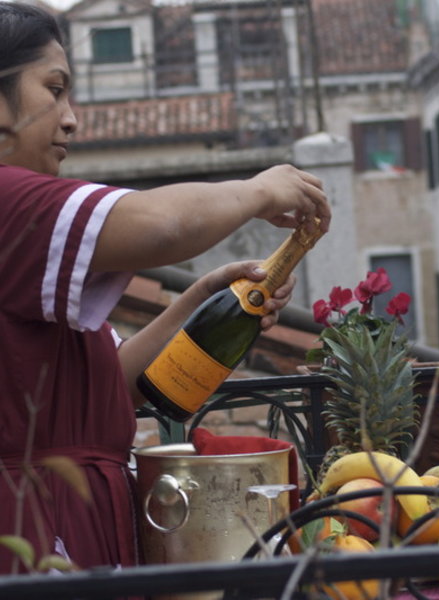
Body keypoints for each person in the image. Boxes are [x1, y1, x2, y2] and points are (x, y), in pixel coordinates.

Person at [0, 1, 330, 578]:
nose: (71, 118)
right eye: (54, 90)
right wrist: (259, 189)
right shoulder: (7, 201)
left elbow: (114, 390)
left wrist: (200, 298)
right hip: (33, 541)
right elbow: (160, 225)